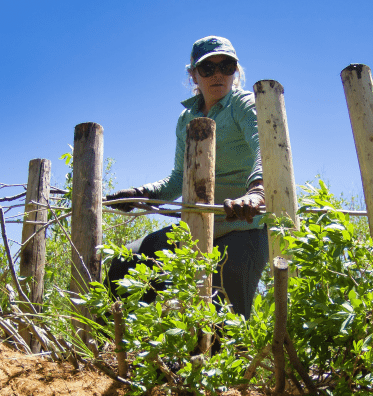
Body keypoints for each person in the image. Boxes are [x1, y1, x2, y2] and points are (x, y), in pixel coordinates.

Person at [105, 36, 269, 319]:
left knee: (223, 321)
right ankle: (119, 350)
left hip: (243, 228)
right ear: (193, 74)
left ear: (236, 71)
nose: (218, 74)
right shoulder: (187, 118)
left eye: (226, 66)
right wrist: (137, 194)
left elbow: (264, 149)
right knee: (125, 263)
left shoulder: (243, 104)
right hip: (194, 230)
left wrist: (257, 192)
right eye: (208, 68)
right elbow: (178, 179)